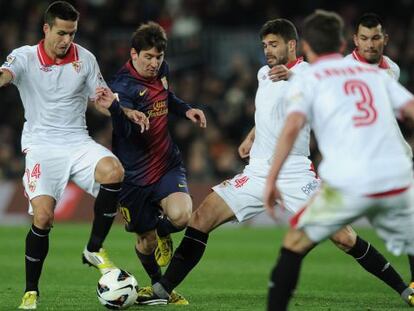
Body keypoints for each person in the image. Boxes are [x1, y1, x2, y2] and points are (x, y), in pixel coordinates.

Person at [135, 18, 414, 306]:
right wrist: (251, 136)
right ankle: (162, 290)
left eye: (274, 44)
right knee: (201, 218)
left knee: (344, 238)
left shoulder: (311, 72)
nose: (267, 50)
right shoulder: (262, 74)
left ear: (292, 45)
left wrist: (295, 78)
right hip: (257, 171)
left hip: (296, 173)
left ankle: (405, 290)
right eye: (265, 45)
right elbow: (271, 110)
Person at [263, 10, 414, 311]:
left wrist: (271, 179)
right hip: (398, 176)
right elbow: (410, 108)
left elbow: (292, 127)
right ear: (345, 43)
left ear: (306, 48)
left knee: (293, 246)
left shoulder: (311, 77)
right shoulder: (375, 73)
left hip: (351, 180)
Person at [0, 2, 142, 309]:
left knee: (114, 171)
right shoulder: (24, 56)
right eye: (62, 33)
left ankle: (94, 248)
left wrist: (125, 111)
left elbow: (102, 99)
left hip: (77, 141)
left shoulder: (85, 59)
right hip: (41, 145)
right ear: (46, 29)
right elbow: (6, 75)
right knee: (43, 217)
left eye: (72, 33)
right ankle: (31, 291)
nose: (67, 40)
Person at [102, 21, 206, 305]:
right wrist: (125, 114)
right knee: (144, 242)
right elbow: (120, 127)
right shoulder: (121, 85)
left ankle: (164, 233)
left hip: (166, 164)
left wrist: (186, 110)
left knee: (183, 217)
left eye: (158, 57)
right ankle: (159, 286)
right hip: (132, 176)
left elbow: (166, 98)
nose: (154, 63)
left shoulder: (162, 71)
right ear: (133, 54)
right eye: (148, 57)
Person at [347, 13, 414, 287]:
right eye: (364, 38)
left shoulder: (392, 70)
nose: (370, 44)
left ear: (384, 39)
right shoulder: (342, 70)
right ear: (355, 40)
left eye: (375, 38)